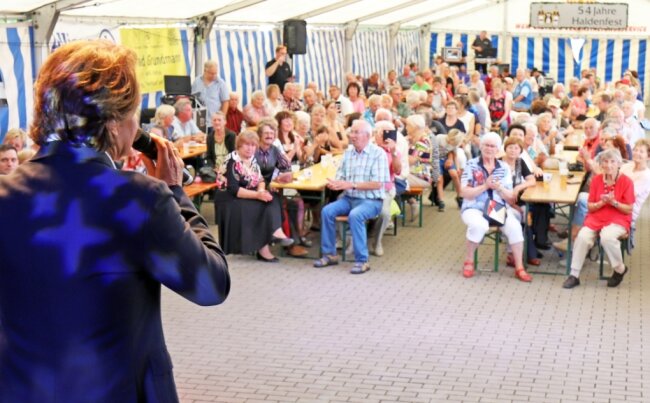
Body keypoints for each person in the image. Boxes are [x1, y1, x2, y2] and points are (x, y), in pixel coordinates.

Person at [0, 40, 230, 402]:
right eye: (134, 112)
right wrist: (176, 193)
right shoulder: (138, 198)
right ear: (113, 122)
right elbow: (211, 285)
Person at [313, 119, 389, 274]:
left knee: (356, 215)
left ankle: (362, 260)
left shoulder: (378, 153)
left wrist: (351, 184)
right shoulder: (348, 153)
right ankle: (330, 254)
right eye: (351, 132)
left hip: (371, 200)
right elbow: (341, 176)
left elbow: (377, 184)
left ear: (367, 135)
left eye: (356, 132)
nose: (352, 135)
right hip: (349, 198)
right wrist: (336, 183)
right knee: (327, 211)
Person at [459, 132, 532, 281]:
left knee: (515, 227)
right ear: (480, 146)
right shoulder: (471, 164)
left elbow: (511, 197)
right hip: (474, 206)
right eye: (486, 145)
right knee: (479, 225)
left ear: (498, 149)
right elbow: (464, 192)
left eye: (493, 146)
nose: (489, 148)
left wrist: (499, 188)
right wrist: (485, 186)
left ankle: (519, 267)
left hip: (495, 207)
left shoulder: (503, 167)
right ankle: (469, 261)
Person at [214, 130, 294, 262]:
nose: (250, 148)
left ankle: (275, 234)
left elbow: (260, 180)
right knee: (261, 206)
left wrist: (262, 192)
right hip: (229, 199)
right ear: (239, 146)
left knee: (273, 199)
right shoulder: (232, 161)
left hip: (246, 193)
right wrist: (258, 195)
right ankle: (267, 244)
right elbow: (234, 190)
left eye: (252, 145)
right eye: (246, 144)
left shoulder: (252, 160)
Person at [563, 149, 635, 289]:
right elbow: (590, 206)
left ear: (619, 163)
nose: (609, 165)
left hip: (618, 218)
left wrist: (614, 202)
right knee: (582, 237)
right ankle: (574, 275)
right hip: (596, 216)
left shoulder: (627, 182)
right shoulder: (596, 180)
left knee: (607, 237)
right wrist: (601, 203)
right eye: (605, 161)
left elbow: (629, 209)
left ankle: (619, 269)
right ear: (601, 164)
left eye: (612, 161)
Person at [371, 120, 402, 256]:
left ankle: (377, 242)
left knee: (385, 214)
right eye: (382, 133)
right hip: (367, 188)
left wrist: (393, 151)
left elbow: (397, 171)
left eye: (389, 133)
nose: (385, 137)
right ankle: (348, 240)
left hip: (386, 188)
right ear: (376, 135)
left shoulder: (394, 151)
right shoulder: (369, 148)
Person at [191, 60, 230, 128]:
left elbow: (225, 102)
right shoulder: (197, 81)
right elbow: (192, 98)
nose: (214, 75)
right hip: (199, 120)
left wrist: (221, 119)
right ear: (205, 71)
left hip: (214, 122)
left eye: (215, 73)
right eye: (211, 73)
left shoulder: (221, 83)